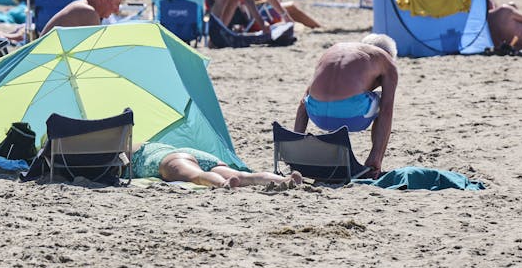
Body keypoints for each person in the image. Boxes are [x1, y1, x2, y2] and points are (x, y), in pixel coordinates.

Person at [294, 34, 399, 177]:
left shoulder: (335, 51)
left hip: (316, 114)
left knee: (340, 94)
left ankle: (334, 151)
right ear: (390, 55)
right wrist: (376, 157)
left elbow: (304, 101)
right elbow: (387, 110)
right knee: (382, 101)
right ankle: (374, 161)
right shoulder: (386, 59)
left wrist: (295, 144)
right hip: (350, 115)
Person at [132, 142, 302, 189]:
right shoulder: (145, 144)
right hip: (189, 152)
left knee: (196, 175)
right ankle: (285, 180)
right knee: (243, 176)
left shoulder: (124, 154)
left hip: (168, 160)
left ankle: (222, 184)